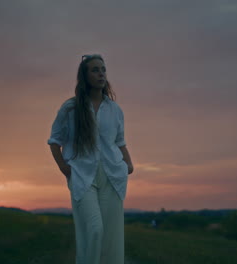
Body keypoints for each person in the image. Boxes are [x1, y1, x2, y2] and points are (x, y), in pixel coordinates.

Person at [47, 54, 134, 264]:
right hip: (82, 175)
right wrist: (64, 168)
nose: (101, 73)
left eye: (103, 69)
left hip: (112, 175)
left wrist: (129, 165)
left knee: (111, 238)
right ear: (84, 76)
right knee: (94, 230)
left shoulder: (114, 109)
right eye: (95, 70)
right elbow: (54, 140)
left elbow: (119, 141)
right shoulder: (71, 108)